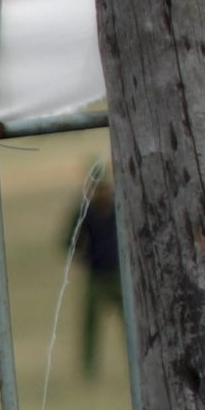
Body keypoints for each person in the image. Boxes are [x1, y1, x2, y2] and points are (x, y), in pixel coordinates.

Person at [66, 156, 124, 381]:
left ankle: (136, 364)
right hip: (95, 277)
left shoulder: (118, 205)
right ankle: (88, 372)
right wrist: (79, 255)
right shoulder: (84, 211)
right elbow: (68, 241)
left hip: (118, 276)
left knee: (130, 326)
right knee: (90, 327)